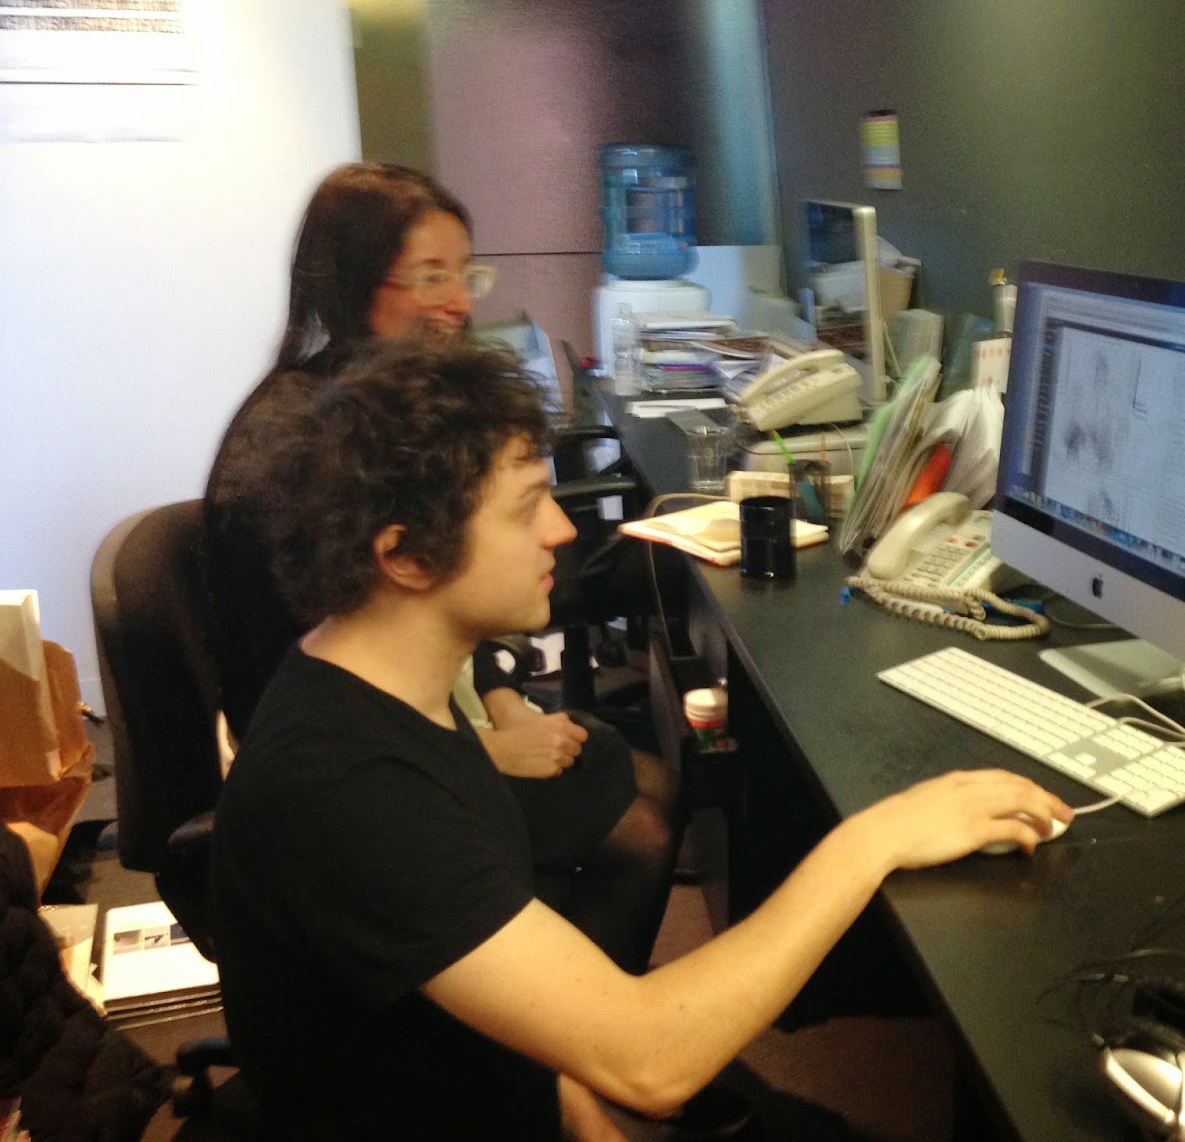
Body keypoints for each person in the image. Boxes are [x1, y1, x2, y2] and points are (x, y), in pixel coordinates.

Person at [210, 337, 1072, 1138]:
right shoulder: (346, 788)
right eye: (526, 508)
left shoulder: (388, 688)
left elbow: (481, 980)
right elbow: (650, 1059)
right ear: (404, 556)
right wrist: (874, 839)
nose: (561, 530)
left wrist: (581, 1105)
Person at [204, 161, 676, 973]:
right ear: (351, 281)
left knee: (655, 780)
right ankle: (558, 1031)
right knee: (642, 829)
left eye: (465, 273)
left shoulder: (387, 405)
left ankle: (562, 1008)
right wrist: (482, 752)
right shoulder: (302, 453)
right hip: (362, 772)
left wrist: (502, 700)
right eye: (429, 276)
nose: (458, 302)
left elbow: (441, 595)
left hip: (438, 711)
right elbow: (333, 695)